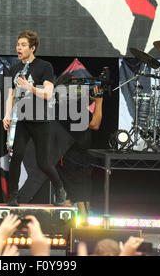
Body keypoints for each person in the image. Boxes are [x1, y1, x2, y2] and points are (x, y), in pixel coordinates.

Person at [3, 30, 67, 207]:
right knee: (16, 157)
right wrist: (7, 115)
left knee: (43, 162)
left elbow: (48, 93)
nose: (19, 48)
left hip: (40, 120)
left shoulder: (44, 66)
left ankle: (59, 188)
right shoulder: (14, 69)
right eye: (18, 44)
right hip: (21, 120)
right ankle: (13, 196)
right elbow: (11, 95)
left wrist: (30, 87)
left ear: (33, 48)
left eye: (23, 45)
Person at [57, 85, 103, 224]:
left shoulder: (66, 107)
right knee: (80, 189)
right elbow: (95, 124)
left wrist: (94, 101)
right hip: (73, 156)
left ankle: (80, 221)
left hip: (74, 154)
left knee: (80, 189)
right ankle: (84, 222)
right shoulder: (72, 109)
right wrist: (99, 102)